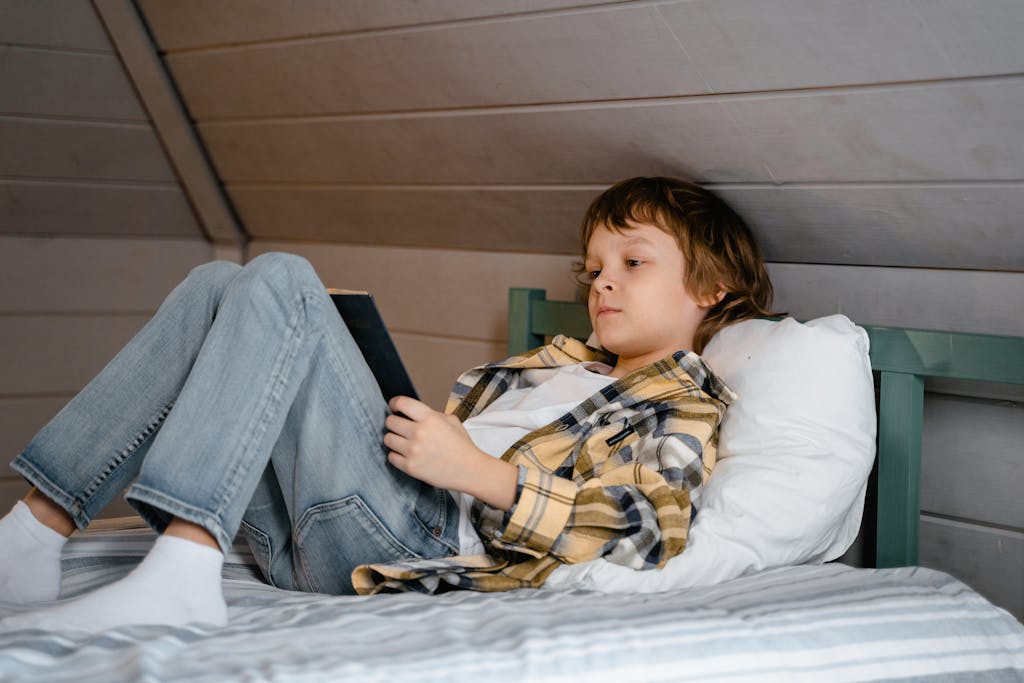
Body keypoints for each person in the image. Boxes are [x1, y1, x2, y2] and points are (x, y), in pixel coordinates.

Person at [0, 176, 778, 632]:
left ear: (711, 289)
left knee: (281, 279)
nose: (601, 281)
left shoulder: (681, 400)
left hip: (416, 540)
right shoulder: (557, 361)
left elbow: (647, 532)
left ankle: (184, 564)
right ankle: (35, 532)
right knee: (215, 287)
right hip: (328, 526)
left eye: (632, 262)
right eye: (594, 267)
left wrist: (479, 472)